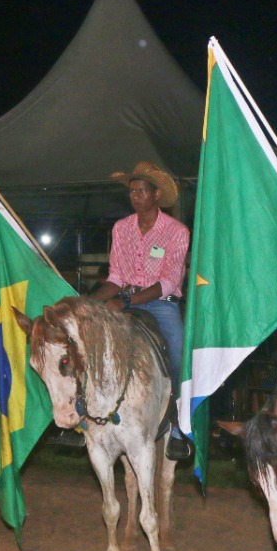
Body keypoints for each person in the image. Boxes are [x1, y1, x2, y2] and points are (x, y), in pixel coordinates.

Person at [89, 162, 192, 461]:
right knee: (89, 344)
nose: (135, 196)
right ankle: (86, 416)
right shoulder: (121, 228)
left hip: (161, 304)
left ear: (157, 194)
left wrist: (129, 302)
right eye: (132, 191)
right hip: (123, 298)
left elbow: (169, 281)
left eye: (142, 191)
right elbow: (117, 277)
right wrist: (91, 302)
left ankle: (178, 428)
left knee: (178, 356)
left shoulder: (176, 231)